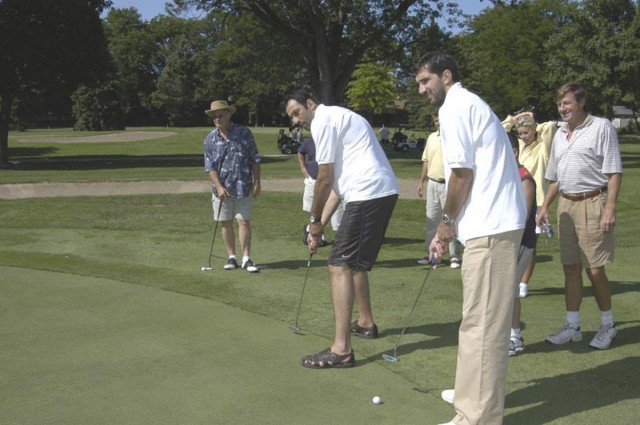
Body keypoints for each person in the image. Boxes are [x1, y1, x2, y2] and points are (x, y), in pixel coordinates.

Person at [416, 52, 526, 425]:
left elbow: (461, 175)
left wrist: (445, 225)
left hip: (493, 228)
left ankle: (477, 417)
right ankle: (468, 397)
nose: (421, 90)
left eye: (425, 81)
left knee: (484, 325)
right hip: (486, 225)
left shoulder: (456, 107)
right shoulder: (465, 105)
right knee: (474, 320)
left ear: (446, 76)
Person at [284, 90, 399, 369]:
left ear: (310, 104)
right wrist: (319, 225)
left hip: (368, 192)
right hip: (378, 190)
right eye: (291, 118)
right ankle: (365, 323)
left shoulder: (324, 120)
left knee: (338, 265)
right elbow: (336, 188)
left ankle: (341, 350)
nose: (296, 121)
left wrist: (312, 219)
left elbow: (323, 179)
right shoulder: (338, 119)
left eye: (297, 113)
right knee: (354, 264)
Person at [537, 82, 622, 350]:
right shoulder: (561, 134)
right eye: (560, 104)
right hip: (566, 206)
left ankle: (608, 325)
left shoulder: (601, 127)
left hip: (593, 202)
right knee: (570, 268)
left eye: (568, 103)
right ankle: (572, 326)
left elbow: (614, 172)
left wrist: (609, 207)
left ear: (581, 103)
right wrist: (544, 207)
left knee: (594, 269)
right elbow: (555, 178)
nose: (563, 109)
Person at [502, 111, 558, 298]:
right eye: (521, 133)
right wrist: (514, 119)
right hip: (515, 200)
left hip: (538, 202)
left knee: (530, 244)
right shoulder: (519, 148)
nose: (524, 136)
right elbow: (502, 131)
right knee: (515, 242)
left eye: (527, 132)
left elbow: (550, 127)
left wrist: (532, 118)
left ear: (534, 130)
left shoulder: (544, 147)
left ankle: (523, 283)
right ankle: (514, 279)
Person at [203, 100, 261, 273]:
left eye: (221, 115)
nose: (217, 119)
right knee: (226, 223)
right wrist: (219, 187)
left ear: (229, 114)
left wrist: (257, 182)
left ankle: (246, 258)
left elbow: (255, 159)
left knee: (243, 221)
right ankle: (232, 257)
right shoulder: (210, 139)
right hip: (222, 191)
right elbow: (210, 167)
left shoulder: (244, 133)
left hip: (244, 186)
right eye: (215, 116)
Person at [416, 111, 462, 269]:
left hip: (448, 184)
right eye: (436, 120)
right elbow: (426, 161)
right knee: (432, 219)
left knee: (450, 219)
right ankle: (432, 254)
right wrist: (421, 181)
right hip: (433, 183)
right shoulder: (431, 138)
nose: (438, 123)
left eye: (440, 120)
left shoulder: (453, 137)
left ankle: (454, 255)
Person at [507, 132, 537, 356]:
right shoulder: (506, 175)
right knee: (508, 291)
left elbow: (523, 217)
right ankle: (511, 335)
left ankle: (513, 337)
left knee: (509, 291)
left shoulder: (524, 178)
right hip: (509, 242)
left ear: (514, 152)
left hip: (521, 243)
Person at [297, 136, 345, 245]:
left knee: (336, 210)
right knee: (312, 209)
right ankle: (316, 233)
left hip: (331, 181)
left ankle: (340, 237)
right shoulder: (309, 141)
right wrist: (303, 168)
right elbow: (300, 152)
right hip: (313, 180)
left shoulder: (334, 141)